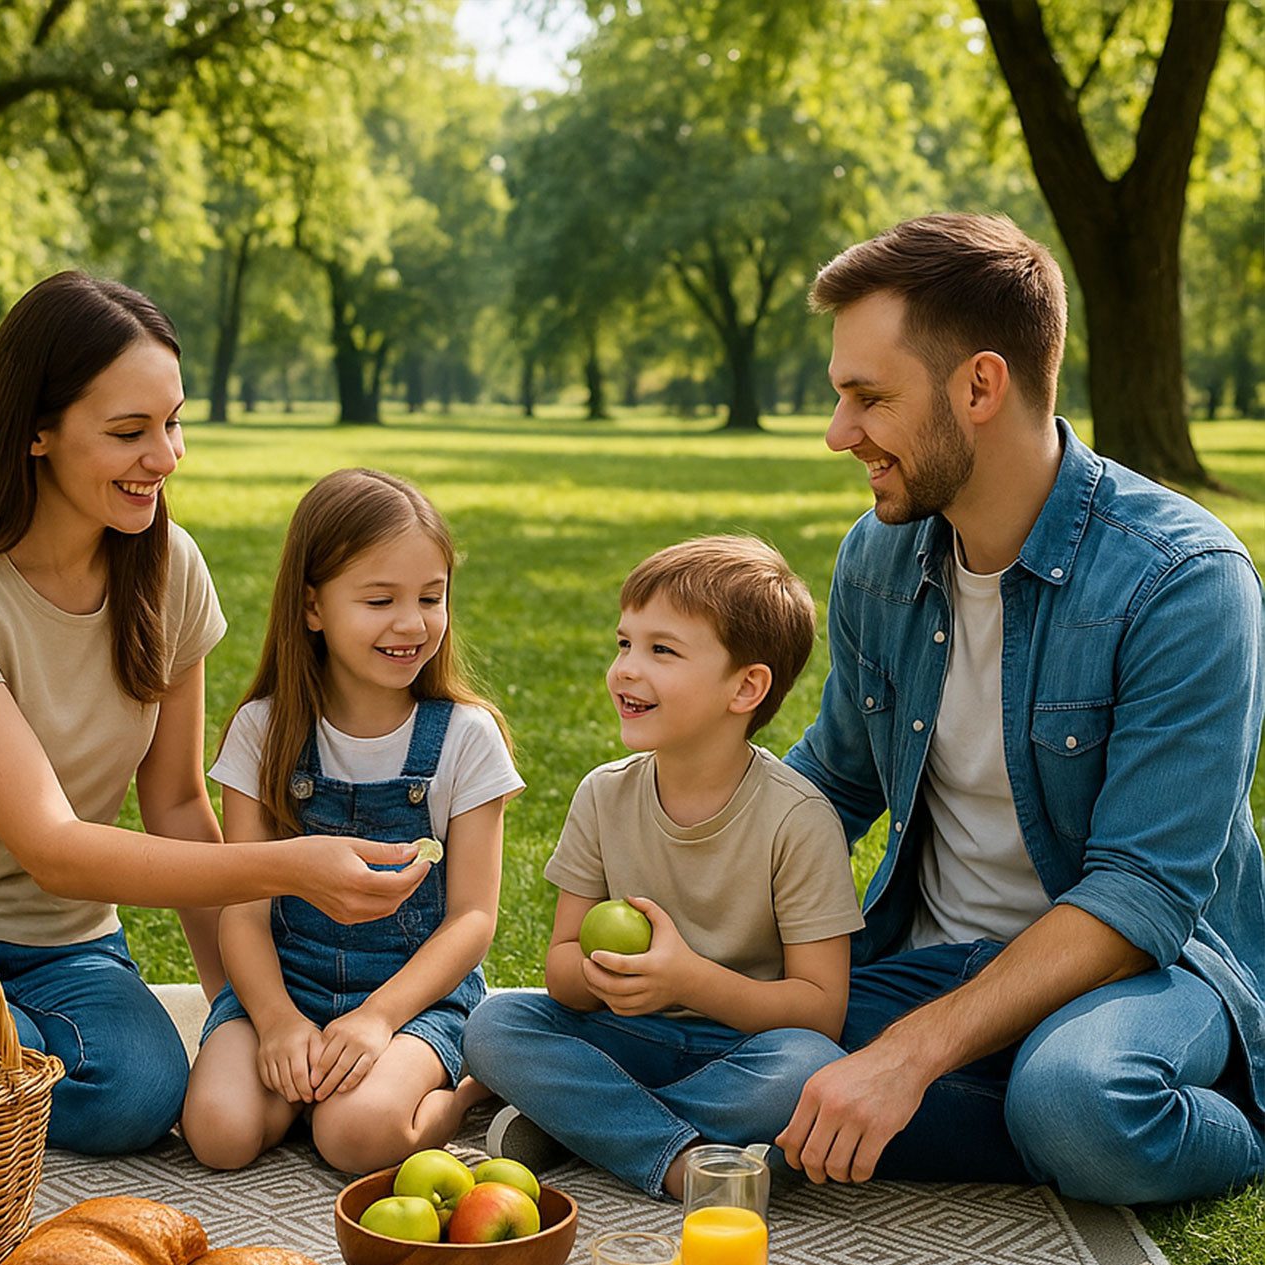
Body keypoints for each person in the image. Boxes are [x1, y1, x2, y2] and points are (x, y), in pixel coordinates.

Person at [0, 273, 428, 1156]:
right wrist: (286, 867)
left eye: (173, 422)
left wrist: (236, 1017)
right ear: (37, 432)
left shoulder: (169, 570)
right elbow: (50, 846)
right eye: (129, 432)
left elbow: (174, 805)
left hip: (66, 949)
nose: (164, 458)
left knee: (139, 1098)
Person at [774, 212, 1265, 1205]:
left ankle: (1229, 1119)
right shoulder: (879, 557)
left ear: (981, 386)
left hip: (1142, 979)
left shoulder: (1184, 580)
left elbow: (1140, 898)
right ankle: (974, 1093)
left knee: (1081, 1101)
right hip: (933, 961)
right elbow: (830, 782)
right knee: (722, 1037)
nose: (839, 434)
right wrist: (674, 879)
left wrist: (909, 1054)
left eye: (869, 398)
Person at [464, 536, 865, 1199]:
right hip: (625, 1034)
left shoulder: (798, 819)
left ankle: (586, 1124)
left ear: (746, 687)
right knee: (495, 1027)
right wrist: (608, 980)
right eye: (624, 643)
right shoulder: (603, 794)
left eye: (662, 650)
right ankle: (686, 1162)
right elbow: (561, 970)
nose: (625, 669)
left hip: (739, 1049)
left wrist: (688, 980)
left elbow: (820, 1011)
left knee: (809, 1069)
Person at [180, 469, 524, 1175]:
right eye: (379, 600)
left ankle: (466, 1091)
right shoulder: (262, 731)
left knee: (353, 1137)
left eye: (431, 598)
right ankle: (307, 1075)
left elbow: (471, 921)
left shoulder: (467, 737)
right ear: (312, 607)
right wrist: (274, 1022)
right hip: (285, 986)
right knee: (219, 1132)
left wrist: (376, 1018)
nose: (412, 622)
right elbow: (243, 915)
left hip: (412, 996)